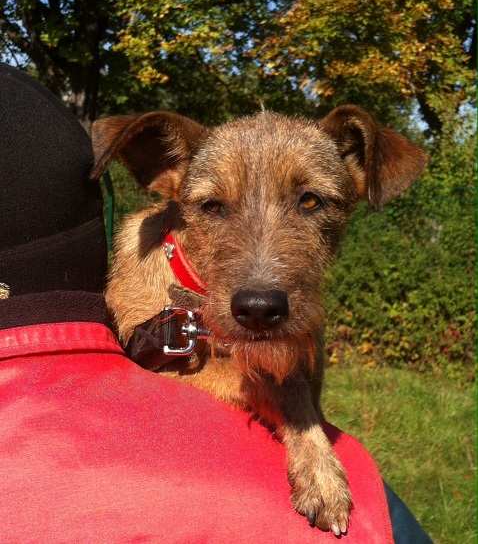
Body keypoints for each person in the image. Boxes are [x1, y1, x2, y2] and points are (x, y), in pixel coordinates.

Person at [0, 63, 433, 543]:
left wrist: (300, 413)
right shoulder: (139, 281)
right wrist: (295, 415)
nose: (261, 278)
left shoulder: (291, 306)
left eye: (310, 202)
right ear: (168, 175)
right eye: (214, 207)